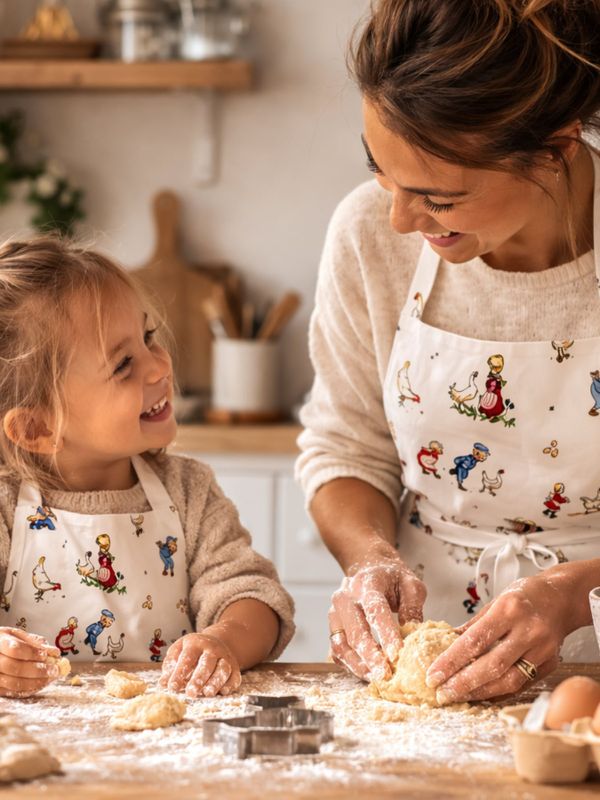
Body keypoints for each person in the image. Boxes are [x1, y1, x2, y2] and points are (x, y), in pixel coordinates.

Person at [296, 0, 600, 704]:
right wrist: (369, 559)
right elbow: (346, 448)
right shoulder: (369, 233)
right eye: (381, 170)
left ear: (554, 150)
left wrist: (572, 590)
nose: (400, 218)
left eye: (438, 197)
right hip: (425, 670)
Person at [0, 237, 294, 699]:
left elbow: (252, 596)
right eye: (123, 365)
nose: (158, 367)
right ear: (38, 427)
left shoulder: (187, 491)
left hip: (167, 740)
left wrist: (223, 641)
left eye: (149, 336)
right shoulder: (6, 508)